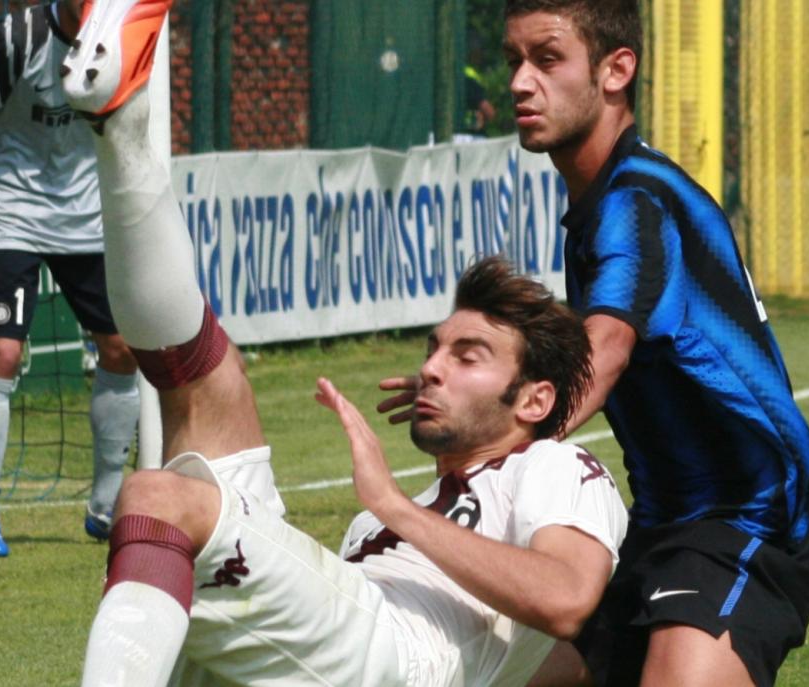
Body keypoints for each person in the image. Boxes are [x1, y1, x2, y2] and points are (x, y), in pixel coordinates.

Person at [60, 2, 627, 685]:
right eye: (435, 348)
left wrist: (390, 506)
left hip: (403, 657)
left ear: (536, 398)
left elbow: (568, 600)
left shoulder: (556, 469)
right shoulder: (394, 515)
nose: (431, 369)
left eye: (467, 355)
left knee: (161, 497)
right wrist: (392, 510)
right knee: (207, 388)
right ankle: (120, 131)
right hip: (348, 632)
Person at [384, 1, 809, 685]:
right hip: (657, 523)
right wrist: (480, 382)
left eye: (547, 58)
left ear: (617, 69)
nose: (519, 83)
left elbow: (604, 349)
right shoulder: (602, 201)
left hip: (744, 524)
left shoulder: (636, 201)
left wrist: (499, 424)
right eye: (513, 61)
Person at [0, 0, 140, 557]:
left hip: (87, 217)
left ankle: (106, 505)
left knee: (121, 350)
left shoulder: (123, 36)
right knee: (3, 353)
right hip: (11, 212)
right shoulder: (17, 39)